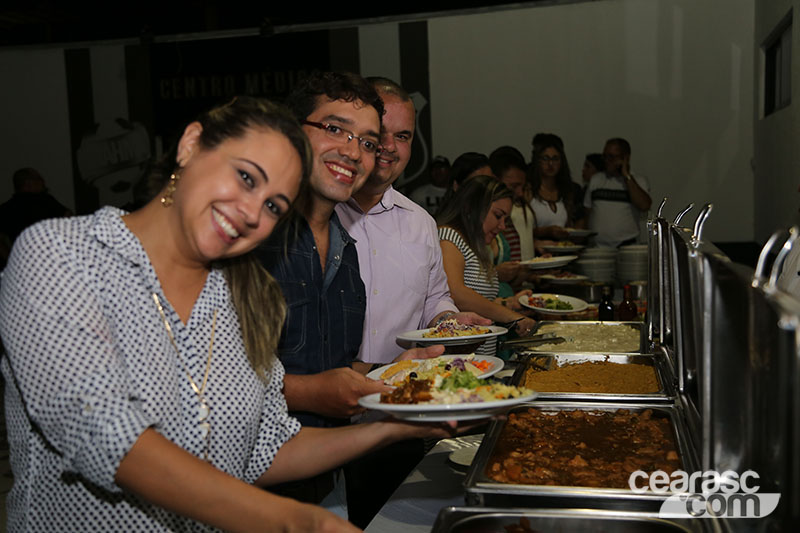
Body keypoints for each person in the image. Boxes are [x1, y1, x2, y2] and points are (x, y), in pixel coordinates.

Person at [0, 96, 454, 531]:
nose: (253, 212)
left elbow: (267, 449)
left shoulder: (241, 293)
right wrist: (294, 521)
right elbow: (105, 436)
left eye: (275, 205)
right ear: (191, 144)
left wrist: (397, 426)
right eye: (246, 178)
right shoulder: (64, 253)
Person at [254, 71, 391, 511]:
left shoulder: (347, 256)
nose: (353, 151)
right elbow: (202, 387)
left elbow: (336, 366)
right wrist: (313, 392)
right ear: (292, 132)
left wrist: (396, 375)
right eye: (335, 129)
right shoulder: (248, 243)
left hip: (329, 484)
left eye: (368, 142)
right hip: (246, 492)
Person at [336, 77, 488, 367]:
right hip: (325, 400)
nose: (389, 146)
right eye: (379, 133)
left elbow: (434, 297)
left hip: (405, 393)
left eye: (403, 136)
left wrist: (449, 321)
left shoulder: (421, 223)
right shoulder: (321, 215)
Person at [437, 175, 536, 357]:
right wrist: (510, 316)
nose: (503, 226)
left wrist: (509, 303)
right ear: (471, 207)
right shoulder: (448, 237)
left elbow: (479, 300)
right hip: (459, 360)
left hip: (482, 359)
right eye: (498, 216)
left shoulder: (477, 246)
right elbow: (456, 293)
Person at [584, 137, 652, 248]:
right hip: (598, 247)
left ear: (625, 158)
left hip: (627, 246)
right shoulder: (596, 179)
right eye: (605, 156)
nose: (607, 160)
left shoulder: (639, 181)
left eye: (611, 157)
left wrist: (626, 176)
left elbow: (644, 205)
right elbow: (587, 212)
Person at [528, 134, 586, 241]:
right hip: (537, 252)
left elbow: (579, 222)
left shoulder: (569, 191)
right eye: (545, 159)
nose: (550, 164)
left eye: (555, 159)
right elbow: (520, 230)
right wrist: (546, 231)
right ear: (537, 161)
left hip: (563, 250)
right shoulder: (527, 190)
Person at [0, 167, 71, 248]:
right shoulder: (46, 201)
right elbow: (68, 218)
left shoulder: (6, 208)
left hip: (23, 256)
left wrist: (10, 257)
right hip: (50, 253)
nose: (42, 182)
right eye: (38, 179)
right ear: (27, 184)